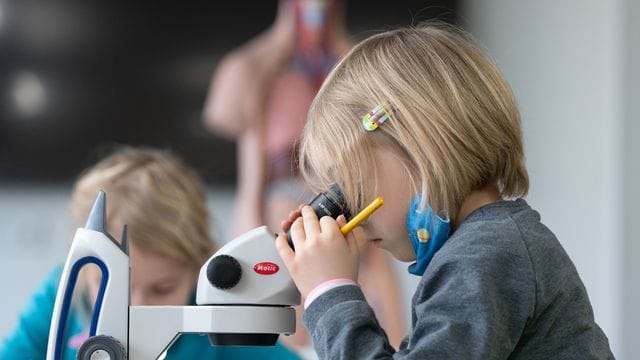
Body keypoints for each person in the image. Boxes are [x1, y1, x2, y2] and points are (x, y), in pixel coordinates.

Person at [275, 23, 615, 359]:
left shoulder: (484, 255)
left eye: (353, 184)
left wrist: (329, 291)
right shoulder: (486, 247)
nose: (352, 216)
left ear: (418, 147)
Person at [202, 0, 406, 353]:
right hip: (284, 190)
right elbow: (225, 114)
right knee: (285, 285)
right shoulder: (262, 72)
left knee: (370, 270)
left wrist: (345, 50)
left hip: (347, 190)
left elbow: (391, 109)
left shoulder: (349, 63)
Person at [0, 146, 300, 360]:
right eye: (114, 288)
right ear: (82, 269)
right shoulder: (60, 297)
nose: (138, 306)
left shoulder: (218, 320)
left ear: (198, 271)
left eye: (162, 288)